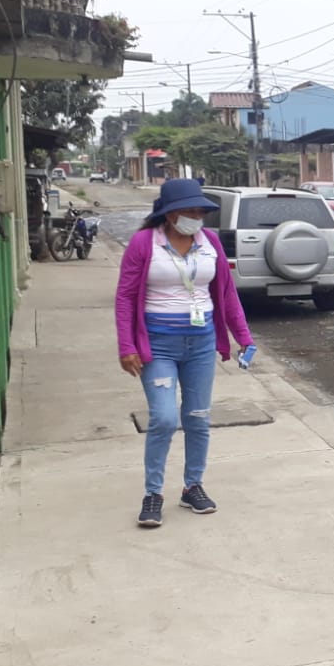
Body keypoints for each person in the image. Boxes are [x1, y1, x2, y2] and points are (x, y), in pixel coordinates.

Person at [115, 179, 254, 528]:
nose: (196, 217)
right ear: (169, 213)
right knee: (163, 419)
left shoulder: (210, 243)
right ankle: (153, 493)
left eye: (200, 212)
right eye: (189, 211)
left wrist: (243, 337)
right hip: (158, 346)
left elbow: (227, 294)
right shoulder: (144, 243)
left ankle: (193, 486)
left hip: (201, 344)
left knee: (197, 417)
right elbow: (125, 297)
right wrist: (126, 346)